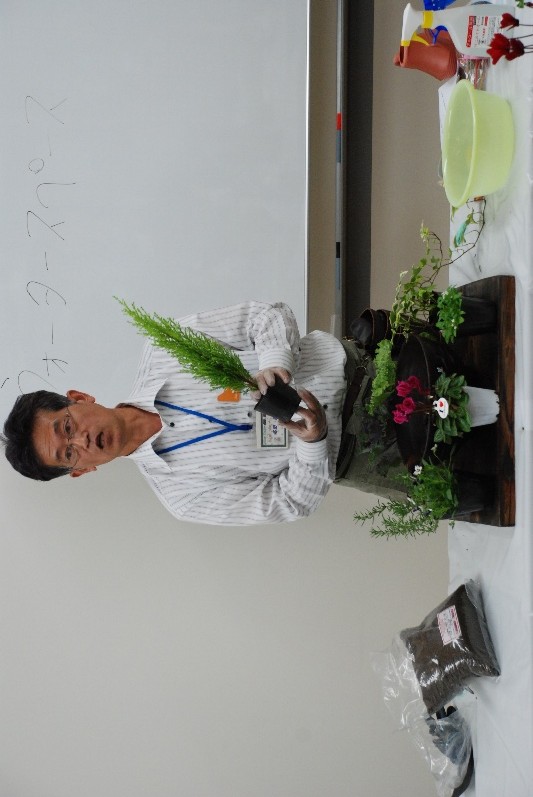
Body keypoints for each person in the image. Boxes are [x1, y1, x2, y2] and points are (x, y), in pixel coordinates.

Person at [2, 300, 405, 526]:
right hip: (372, 457)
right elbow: (288, 501)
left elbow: (266, 316)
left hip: (373, 365)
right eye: (69, 453)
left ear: (79, 397)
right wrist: (313, 443)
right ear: (82, 470)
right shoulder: (182, 497)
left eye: (67, 427)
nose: (82, 440)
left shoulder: (163, 352)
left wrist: (274, 362)